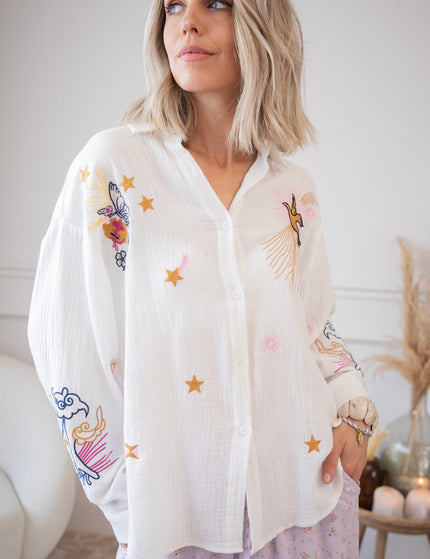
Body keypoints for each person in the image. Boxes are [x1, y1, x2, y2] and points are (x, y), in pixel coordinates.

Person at [28, 1, 378, 558]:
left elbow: (314, 324)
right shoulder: (113, 168)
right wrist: (121, 495)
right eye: (173, 7)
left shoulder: (292, 189)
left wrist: (356, 411)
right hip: (175, 516)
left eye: (215, 4)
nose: (187, 21)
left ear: (262, 26)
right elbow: (65, 344)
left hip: (301, 501)